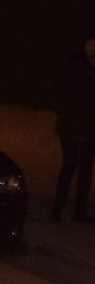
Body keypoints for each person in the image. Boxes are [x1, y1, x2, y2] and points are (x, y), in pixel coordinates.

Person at [52, 31, 95, 222]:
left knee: (85, 168)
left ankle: (79, 210)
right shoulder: (75, 67)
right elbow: (62, 91)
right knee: (70, 165)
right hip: (72, 124)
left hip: (88, 125)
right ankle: (58, 209)